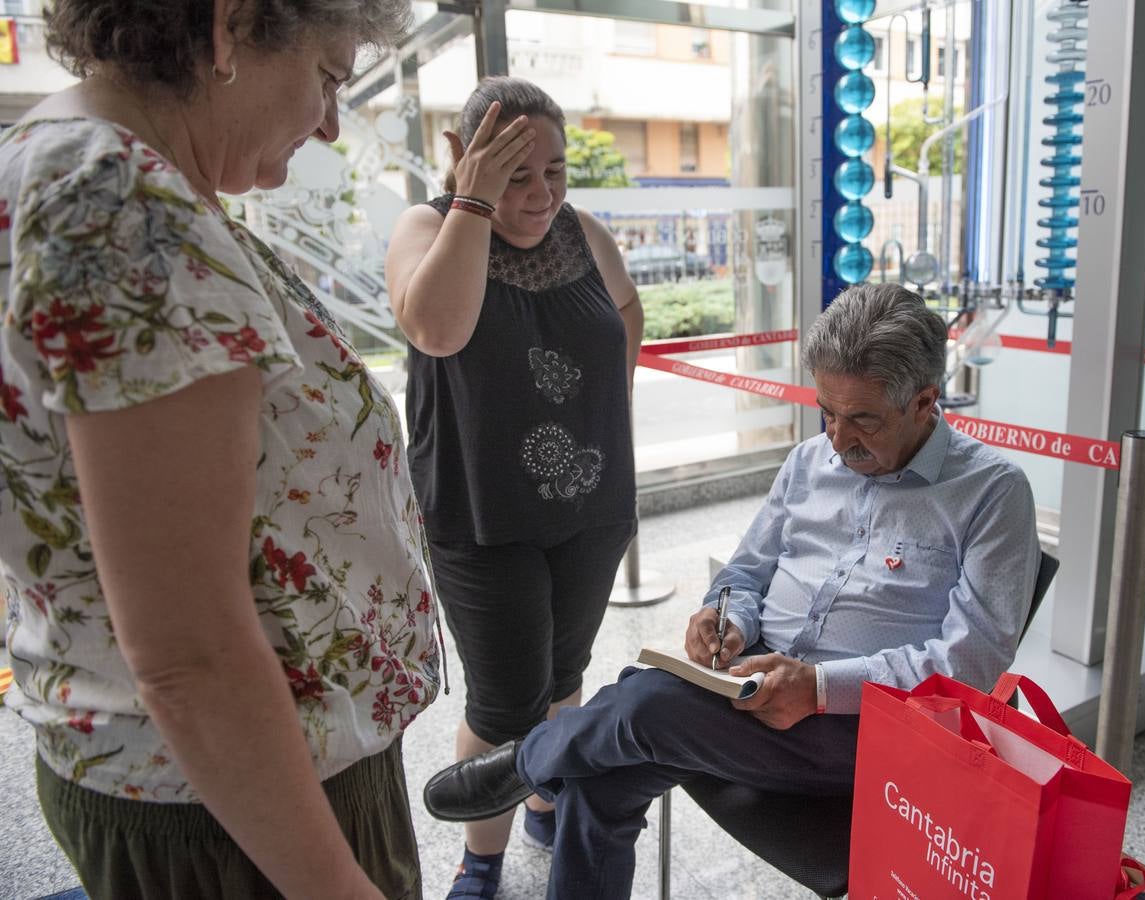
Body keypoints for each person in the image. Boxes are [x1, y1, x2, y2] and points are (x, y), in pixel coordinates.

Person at [0, 2, 440, 898]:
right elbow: (190, 654)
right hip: (245, 802)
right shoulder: (123, 205)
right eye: (327, 73)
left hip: (197, 776)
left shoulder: (63, 163)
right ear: (230, 29)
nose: (327, 121)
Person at [422, 283, 1042, 900]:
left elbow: (972, 663)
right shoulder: (808, 462)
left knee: (644, 705)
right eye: (826, 411)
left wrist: (821, 689)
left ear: (926, 402)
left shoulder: (991, 492)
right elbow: (744, 575)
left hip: (871, 733)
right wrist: (727, 619)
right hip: (750, 686)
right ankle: (559, 762)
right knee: (597, 782)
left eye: (862, 420)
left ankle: (527, 763)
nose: (835, 437)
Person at [384, 76, 642, 898]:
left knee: (564, 673)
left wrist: (605, 414)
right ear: (466, 158)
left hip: (591, 508)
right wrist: (476, 204)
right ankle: (480, 858)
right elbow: (437, 327)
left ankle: (540, 799)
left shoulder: (585, 232)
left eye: (555, 172)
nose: (540, 195)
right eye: (516, 173)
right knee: (504, 702)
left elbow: (627, 315)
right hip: (482, 516)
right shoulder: (428, 227)